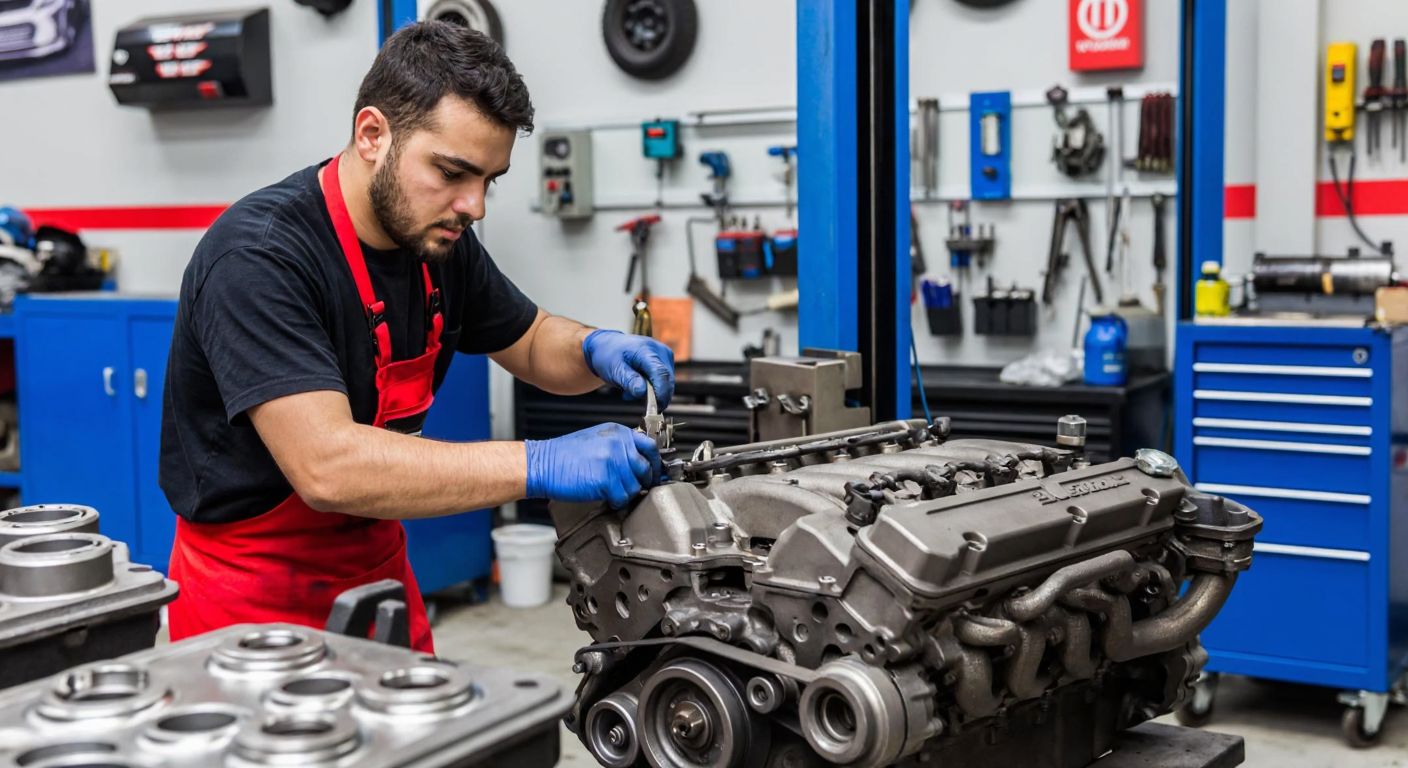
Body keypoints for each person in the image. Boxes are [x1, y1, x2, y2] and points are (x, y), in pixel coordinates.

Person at [158, 21, 673, 653]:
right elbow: (329, 468)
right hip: (251, 600)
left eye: (490, 179)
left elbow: (533, 339)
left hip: (375, 575)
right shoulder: (259, 257)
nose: (475, 205)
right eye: (453, 172)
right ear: (372, 134)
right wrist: (540, 462)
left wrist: (596, 348)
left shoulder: (439, 240)